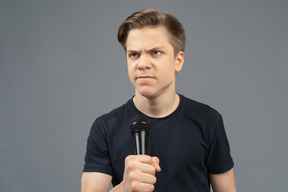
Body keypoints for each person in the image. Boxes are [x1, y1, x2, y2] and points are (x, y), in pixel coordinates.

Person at [81, 9, 237, 192]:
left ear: (178, 61)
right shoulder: (104, 128)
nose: (142, 64)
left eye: (155, 52)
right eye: (134, 54)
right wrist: (124, 189)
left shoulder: (208, 121)